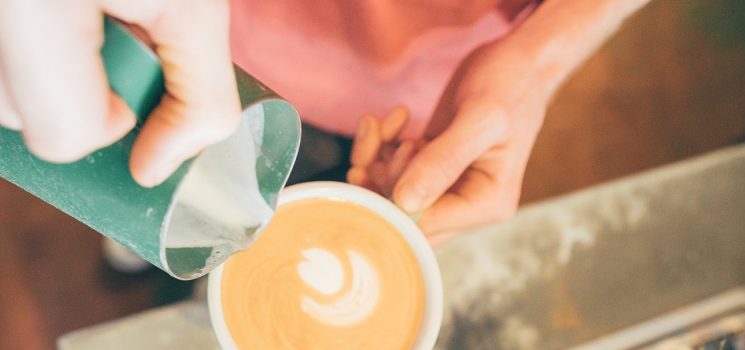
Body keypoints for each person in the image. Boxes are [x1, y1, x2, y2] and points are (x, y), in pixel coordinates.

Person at [0, 0, 649, 244]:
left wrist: (540, 55)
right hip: (185, 27)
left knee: (321, 177)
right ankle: (143, 217)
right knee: (150, 146)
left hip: (423, 77)